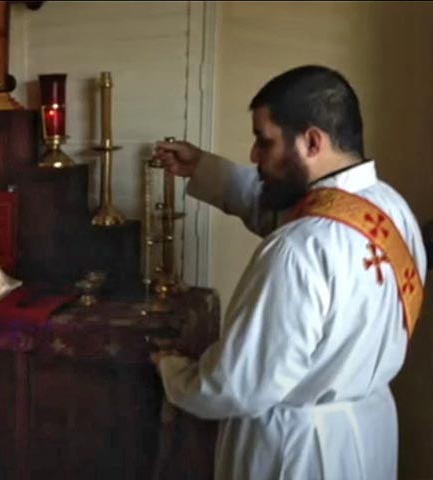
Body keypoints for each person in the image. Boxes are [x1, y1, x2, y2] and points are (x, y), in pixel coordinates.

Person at [151, 65, 426, 479]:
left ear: (312, 141)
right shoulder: (391, 210)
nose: (254, 156)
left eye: (265, 142)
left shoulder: (296, 251)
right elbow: (287, 209)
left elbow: (235, 385)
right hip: (368, 435)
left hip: (299, 453)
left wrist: (173, 372)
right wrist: (204, 166)